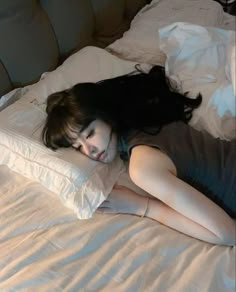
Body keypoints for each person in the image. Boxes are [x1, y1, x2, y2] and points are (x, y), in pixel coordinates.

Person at [42, 65, 236, 246]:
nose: (89, 151)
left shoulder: (142, 166)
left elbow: (227, 234)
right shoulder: (151, 120)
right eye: (77, 146)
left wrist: (141, 206)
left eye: (90, 134)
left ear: (105, 114)